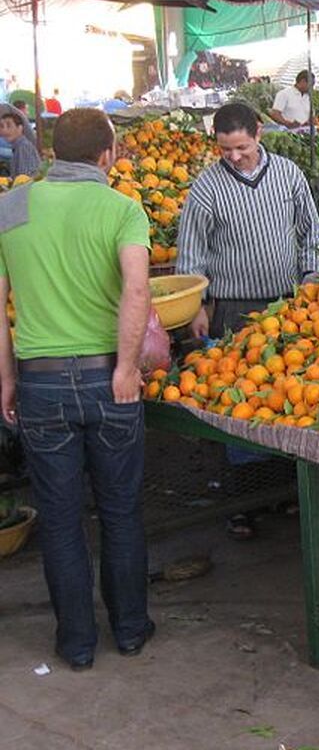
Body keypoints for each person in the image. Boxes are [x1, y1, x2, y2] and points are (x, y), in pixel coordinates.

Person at [0, 108, 155, 672]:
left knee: (61, 521)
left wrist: (7, 379)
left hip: (40, 383)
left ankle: (77, 644)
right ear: (106, 155)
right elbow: (137, 291)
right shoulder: (122, 209)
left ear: (50, 152)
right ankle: (131, 631)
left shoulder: (11, 207)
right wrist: (127, 369)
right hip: (106, 377)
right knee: (120, 512)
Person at [176, 101, 319, 537]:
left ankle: (282, 490)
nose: (234, 156)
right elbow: (191, 252)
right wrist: (198, 305)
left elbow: (310, 234)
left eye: (241, 147)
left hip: (285, 304)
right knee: (236, 404)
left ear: (259, 133)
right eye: (225, 150)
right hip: (232, 310)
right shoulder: (207, 187)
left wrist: (311, 281)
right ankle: (243, 500)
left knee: (283, 397)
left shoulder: (288, 174)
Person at [0, 113, 39, 177]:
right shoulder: (18, 146)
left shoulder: (23, 146)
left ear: (20, 128)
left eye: (8, 125)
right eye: (1, 126)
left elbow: (24, 177)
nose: (4, 130)